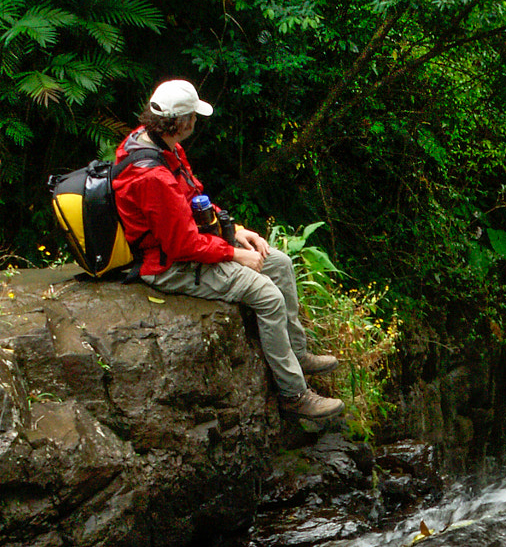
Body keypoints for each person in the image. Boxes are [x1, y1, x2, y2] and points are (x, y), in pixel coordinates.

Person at [112, 79, 343, 421]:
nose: (195, 122)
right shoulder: (152, 176)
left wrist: (235, 231)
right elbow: (182, 245)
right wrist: (235, 254)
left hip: (185, 247)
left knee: (278, 263)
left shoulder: (163, 146)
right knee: (266, 293)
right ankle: (294, 394)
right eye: (192, 116)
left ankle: (297, 352)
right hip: (167, 266)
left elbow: (194, 199)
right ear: (180, 121)